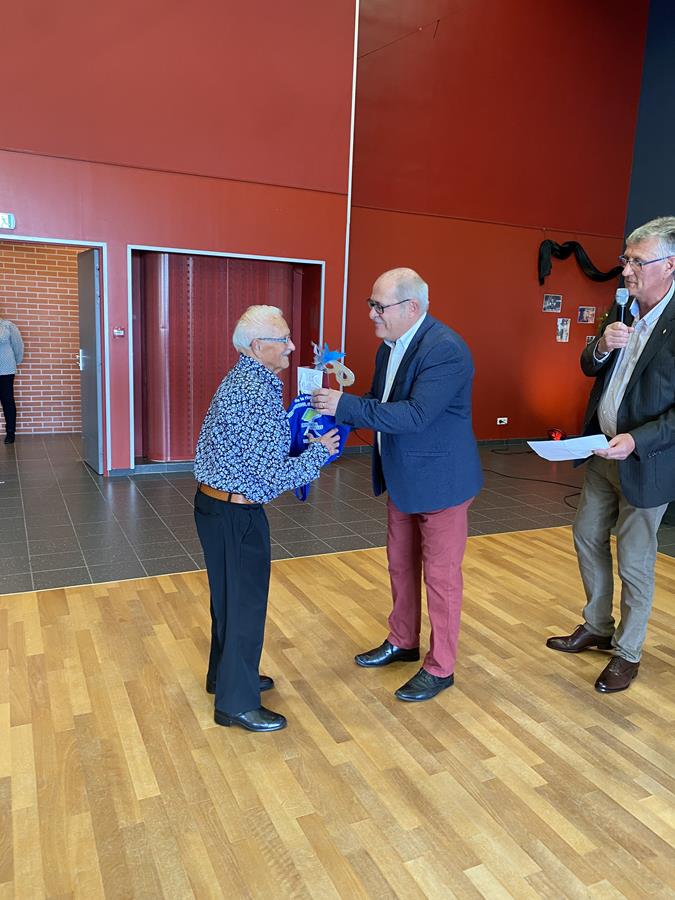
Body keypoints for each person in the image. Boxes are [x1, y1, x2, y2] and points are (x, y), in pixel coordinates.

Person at [312, 268, 483, 702]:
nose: (371, 314)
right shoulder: (388, 347)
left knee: (441, 579)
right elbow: (378, 401)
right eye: (371, 304)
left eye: (379, 306)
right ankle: (403, 641)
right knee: (400, 567)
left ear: (412, 307)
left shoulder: (445, 349)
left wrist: (346, 406)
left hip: (442, 484)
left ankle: (441, 667)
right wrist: (334, 413)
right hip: (402, 477)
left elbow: (415, 415)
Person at [194, 305, 339, 732]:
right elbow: (269, 478)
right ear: (259, 346)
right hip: (236, 511)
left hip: (216, 506)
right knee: (244, 604)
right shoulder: (255, 392)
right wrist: (319, 453)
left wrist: (298, 445)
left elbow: (261, 456)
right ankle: (236, 704)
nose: (292, 346)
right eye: (284, 339)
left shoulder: (246, 380)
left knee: (229, 600)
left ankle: (225, 677)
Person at [546, 217, 675, 692]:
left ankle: (627, 652)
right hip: (602, 451)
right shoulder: (620, 307)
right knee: (586, 535)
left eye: (638, 262)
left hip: (647, 461)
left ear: (670, 265)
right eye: (626, 260)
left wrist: (637, 440)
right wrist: (601, 345)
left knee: (635, 560)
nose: (626, 270)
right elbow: (589, 365)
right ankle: (598, 626)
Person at [0, 317, 24, 444]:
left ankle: (10, 433)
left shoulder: (8, 326)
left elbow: (18, 345)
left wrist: (16, 361)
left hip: (6, 370)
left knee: (7, 401)